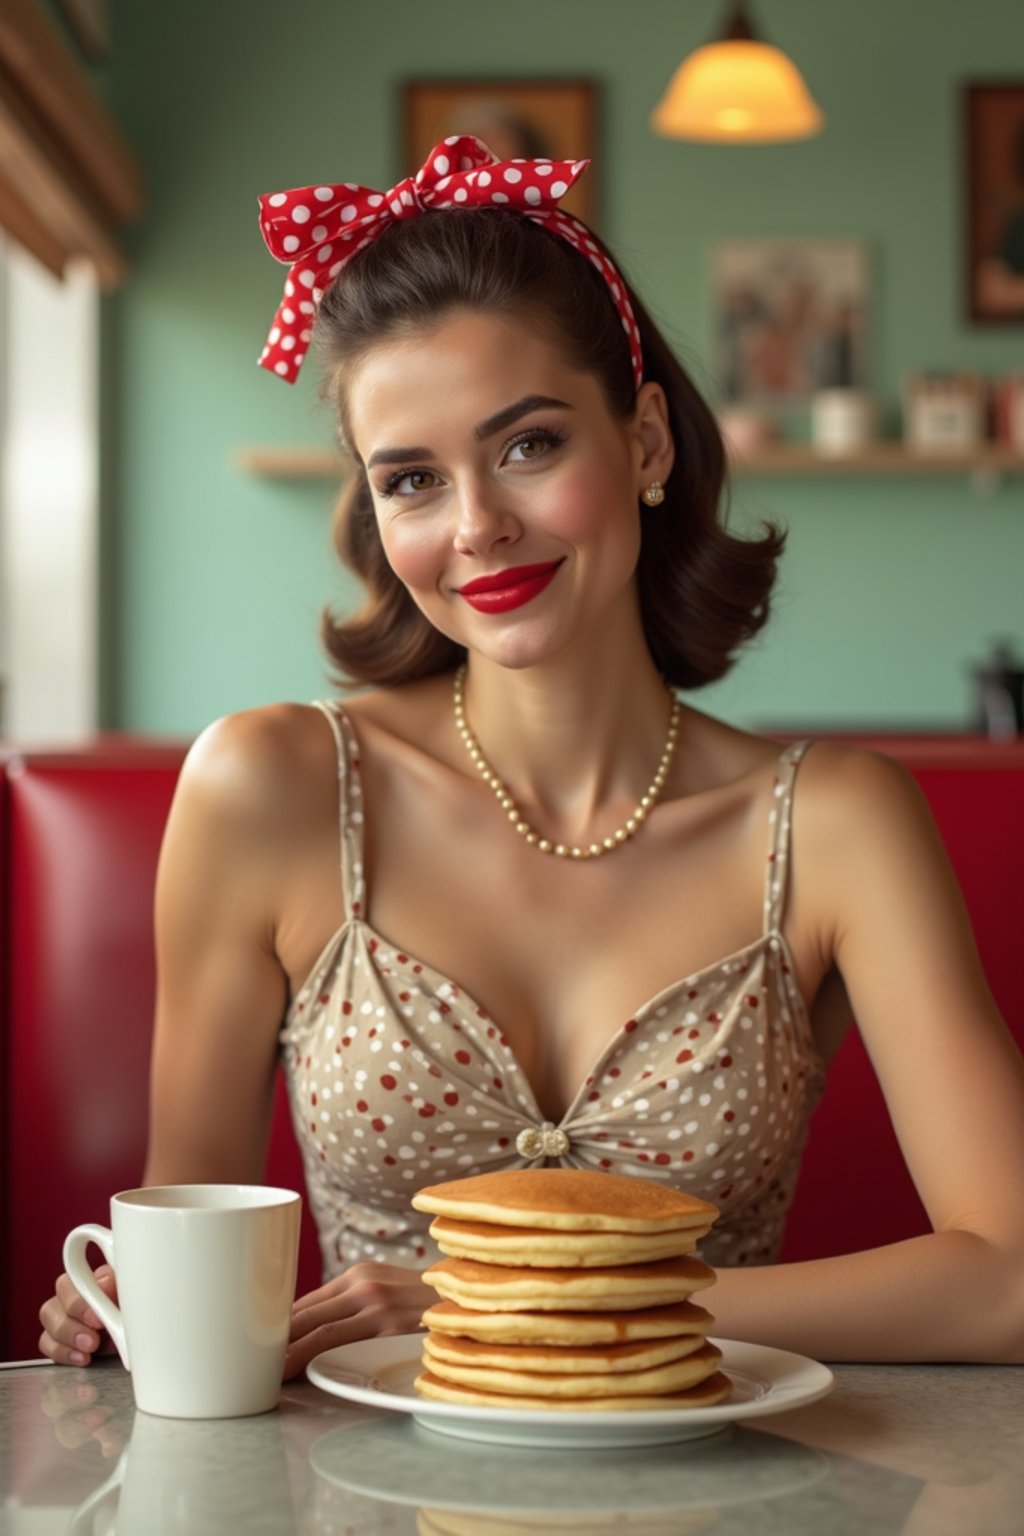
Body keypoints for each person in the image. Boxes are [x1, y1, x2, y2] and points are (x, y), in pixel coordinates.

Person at [39, 137, 1024, 1379]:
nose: (478, 525)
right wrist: (125, 1311)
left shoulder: (832, 822)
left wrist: (502, 1301)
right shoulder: (271, 788)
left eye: (528, 445)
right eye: (411, 479)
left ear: (648, 444)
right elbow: (187, 1234)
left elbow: (1009, 1278)